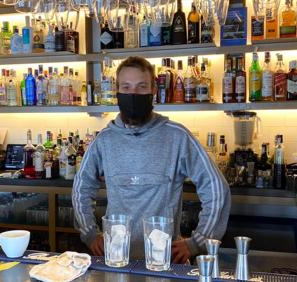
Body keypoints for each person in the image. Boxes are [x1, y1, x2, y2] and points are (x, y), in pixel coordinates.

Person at [72, 56, 230, 263]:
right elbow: (80, 188)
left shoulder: (177, 136)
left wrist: (196, 242)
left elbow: (217, 188)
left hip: (165, 259)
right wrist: (90, 234)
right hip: (116, 258)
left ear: (153, 91)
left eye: (141, 86)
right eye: (126, 87)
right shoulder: (104, 140)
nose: (133, 94)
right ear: (117, 91)